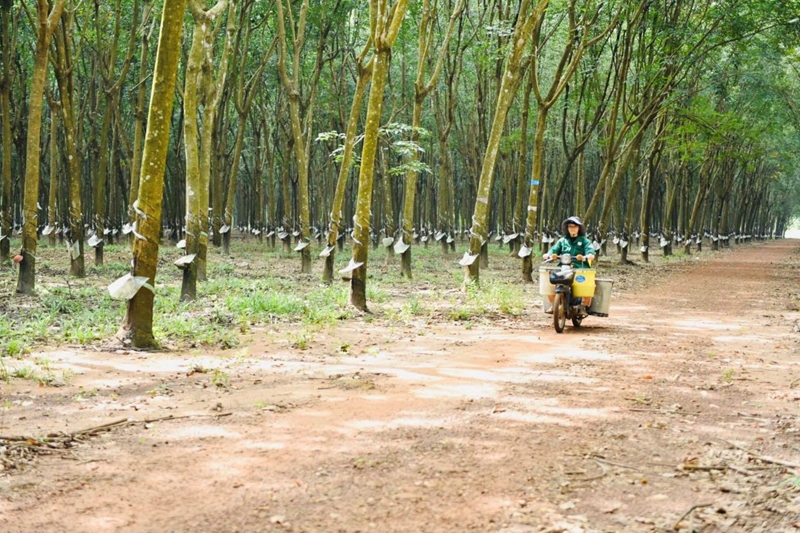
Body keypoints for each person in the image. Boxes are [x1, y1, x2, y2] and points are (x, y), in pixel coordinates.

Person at [543, 216, 596, 312]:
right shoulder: (562, 241)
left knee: (587, 284)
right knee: (548, 281)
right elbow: (553, 250)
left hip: (579, 268)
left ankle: (583, 306)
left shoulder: (585, 241)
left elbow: (590, 252)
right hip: (563, 268)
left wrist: (588, 256)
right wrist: (548, 255)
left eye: (575, 226)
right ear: (567, 228)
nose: (572, 229)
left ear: (579, 228)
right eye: (570, 226)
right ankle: (553, 304)